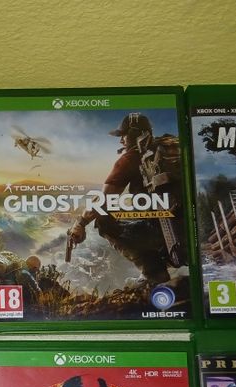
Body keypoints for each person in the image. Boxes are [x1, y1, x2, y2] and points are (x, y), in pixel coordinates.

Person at [67, 113, 182, 285]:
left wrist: (81, 223)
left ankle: (154, 274)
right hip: (183, 226)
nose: (121, 140)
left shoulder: (130, 158)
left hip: (162, 231)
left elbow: (102, 201)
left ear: (135, 134)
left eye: (124, 135)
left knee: (104, 220)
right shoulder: (169, 148)